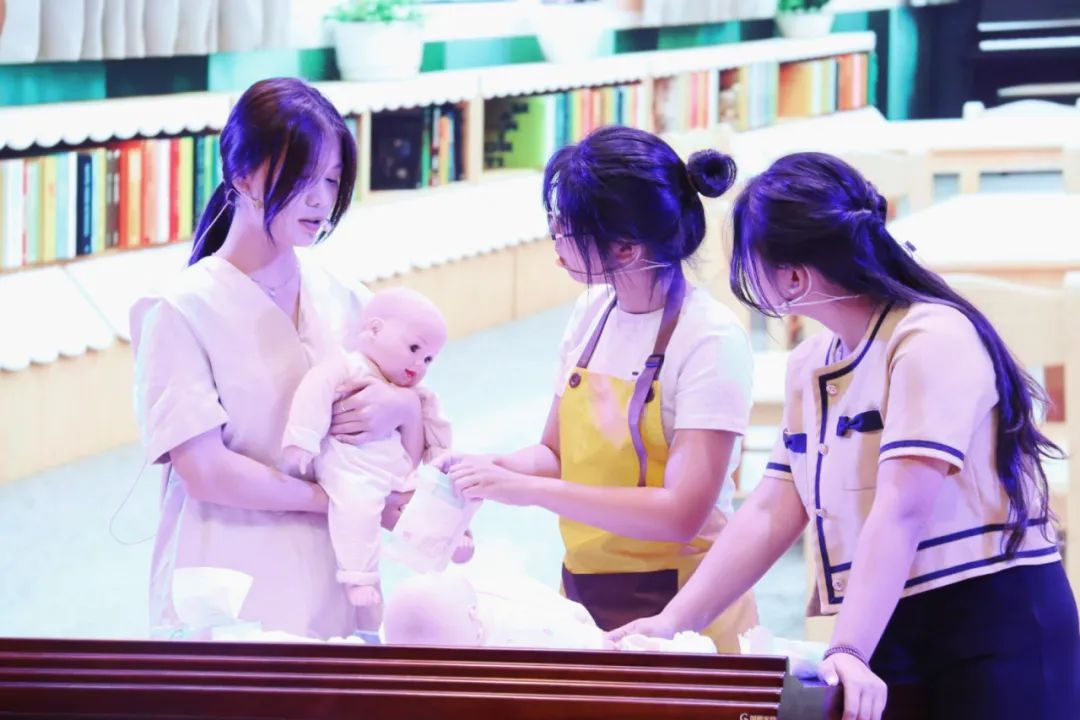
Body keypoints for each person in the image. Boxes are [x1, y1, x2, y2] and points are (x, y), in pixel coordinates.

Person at [610, 152, 1080, 720]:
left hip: (992, 624)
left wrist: (850, 647)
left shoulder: (931, 337)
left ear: (793, 276)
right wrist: (672, 622)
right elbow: (771, 509)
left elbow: (902, 508)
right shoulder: (810, 362)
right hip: (889, 619)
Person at [441, 126, 758, 652]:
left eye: (567, 226)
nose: (555, 235)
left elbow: (681, 514)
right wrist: (488, 468)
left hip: (685, 612)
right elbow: (554, 454)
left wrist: (526, 491)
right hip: (585, 591)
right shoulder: (592, 311)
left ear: (626, 248)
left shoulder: (711, 339)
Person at [130, 77, 424, 639]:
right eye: (303, 176)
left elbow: (407, 435)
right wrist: (336, 500)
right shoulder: (178, 309)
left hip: (338, 576)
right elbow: (206, 472)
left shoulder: (347, 298)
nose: (321, 199)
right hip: (231, 581)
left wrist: (403, 411)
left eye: (332, 179)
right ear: (242, 174)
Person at [280, 287, 456, 615]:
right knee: (355, 508)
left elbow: (438, 430)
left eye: (428, 359)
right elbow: (315, 391)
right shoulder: (348, 368)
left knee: (437, 496)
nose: (419, 365)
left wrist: (440, 464)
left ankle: (455, 537)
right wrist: (302, 438)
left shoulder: (416, 393)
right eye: (414, 348)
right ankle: (359, 576)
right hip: (353, 470)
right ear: (374, 330)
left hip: (398, 471)